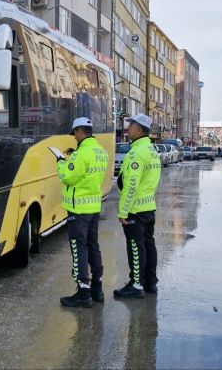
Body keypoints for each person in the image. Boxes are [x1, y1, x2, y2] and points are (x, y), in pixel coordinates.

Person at [56, 117, 109, 308]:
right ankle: (97, 289)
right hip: (93, 206)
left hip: (78, 209)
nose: (74, 139)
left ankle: (83, 293)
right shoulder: (101, 151)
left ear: (79, 131)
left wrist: (61, 162)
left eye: (74, 135)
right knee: (93, 246)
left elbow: (67, 177)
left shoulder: (81, 154)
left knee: (79, 249)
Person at [114, 113, 162, 299]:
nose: (128, 127)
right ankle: (150, 282)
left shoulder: (136, 152)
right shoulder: (151, 150)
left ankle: (136, 285)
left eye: (132, 125)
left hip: (135, 209)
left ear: (140, 129)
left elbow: (130, 185)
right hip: (148, 206)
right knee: (148, 245)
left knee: (135, 246)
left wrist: (123, 211)